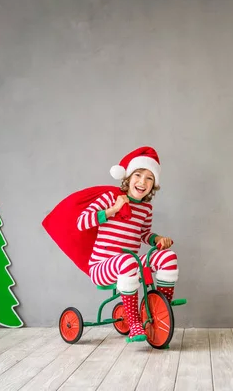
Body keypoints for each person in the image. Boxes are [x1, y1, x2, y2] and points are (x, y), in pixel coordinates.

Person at [76, 146, 178, 342]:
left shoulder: (146, 208)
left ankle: (160, 310)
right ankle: (134, 324)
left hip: (129, 264)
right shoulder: (109, 198)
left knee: (168, 257)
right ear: (128, 178)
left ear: (153, 184)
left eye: (149, 178)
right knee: (128, 261)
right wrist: (113, 209)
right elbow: (82, 222)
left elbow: (144, 234)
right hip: (101, 266)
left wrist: (157, 240)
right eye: (138, 175)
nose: (142, 181)